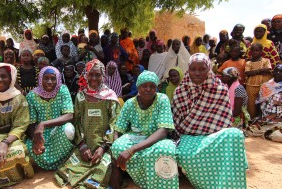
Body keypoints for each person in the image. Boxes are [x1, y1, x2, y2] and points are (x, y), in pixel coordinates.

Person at [172, 53, 248, 188]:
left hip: (213, 137)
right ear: (188, 70)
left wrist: (207, 135)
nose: (197, 73)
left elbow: (225, 122)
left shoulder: (220, 90)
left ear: (209, 69)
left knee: (235, 135)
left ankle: (228, 184)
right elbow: (177, 125)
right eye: (193, 69)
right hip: (187, 138)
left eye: (202, 69)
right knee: (184, 153)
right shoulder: (180, 91)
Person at [55, 59, 120, 188]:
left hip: (105, 146)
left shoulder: (110, 97)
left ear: (103, 76)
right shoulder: (81, 96)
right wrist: (82, 145)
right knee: (66, 170)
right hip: (86, 145)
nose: (94, 78)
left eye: (98, 75)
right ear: (86, 75)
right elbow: (77, 122)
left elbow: (115, 124)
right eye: (91, 74)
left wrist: (102, 148)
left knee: (103, 171)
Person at [110, 71, 178, 189]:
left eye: (152, 86)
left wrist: (132, 149)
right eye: (144, 86)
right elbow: (118, 130)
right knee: (117, 146)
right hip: (135, 137)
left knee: (167, 149)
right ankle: (142, 180)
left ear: (156, 87)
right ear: (138, 87)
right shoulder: (130, 103)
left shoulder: (162, 99)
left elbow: (163, 131)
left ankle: (163, 185)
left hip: (156, 139)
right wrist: (115, 157)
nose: (148, 89)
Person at [24, 66, 75, 171]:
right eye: (46, 78)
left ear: (58, 79)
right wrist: (35, 140)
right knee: (28, 148)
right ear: (40, 79)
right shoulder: (32, 96)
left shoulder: (62, 90)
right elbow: (31, 124)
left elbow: (69, 115)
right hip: (39, 134)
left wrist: (43, 124)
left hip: (58, 132)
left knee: (69, 129)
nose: (49, 81)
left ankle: (61, 161)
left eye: (53, 78)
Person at [245, 43, 273, 118]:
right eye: (253, 50)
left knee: (264, 103)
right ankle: (252, 120)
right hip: (250, 85)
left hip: (264, 85)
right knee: (251, 104)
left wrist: (253, 72)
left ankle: (263, 119)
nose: (255, 52)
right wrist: (260, 70)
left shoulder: (266, 61)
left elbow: (268, 70)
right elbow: (247, 73)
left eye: (257, 50)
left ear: (261, 51)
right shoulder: (248, 62)